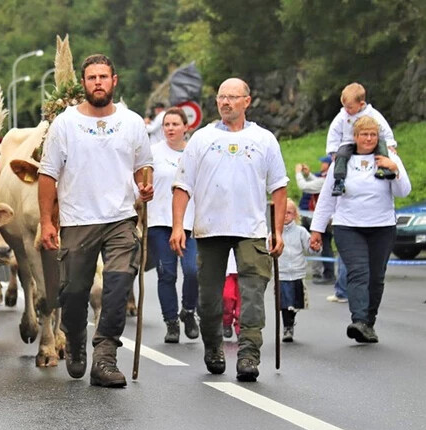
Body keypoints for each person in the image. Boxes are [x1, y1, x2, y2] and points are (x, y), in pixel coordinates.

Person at [39, 54, 153, 388]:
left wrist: (145, 186)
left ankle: (105, 357)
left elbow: (143, 166)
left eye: (103, 77)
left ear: (114, 81)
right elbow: (48, 175)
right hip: (78, 219)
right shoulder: (65, 124)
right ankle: (75, 336)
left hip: (121, 219)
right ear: (84, 84)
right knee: (74, 294)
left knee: (117, 289)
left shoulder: (132, 122)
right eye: (92, 78)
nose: (98, 82)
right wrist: (47, 222)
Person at [170, 78, 288, 382]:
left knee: (253, 293)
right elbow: (182, 185)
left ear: (247, 101)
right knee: (209, 298)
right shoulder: (202, 139)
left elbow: (278, 187)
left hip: (251, 228)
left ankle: (248, 354)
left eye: (233, 97)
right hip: (210, 229)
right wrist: (178, 226)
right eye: (222, 97)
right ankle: (213, 346)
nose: (226, 102)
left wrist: (277, 231)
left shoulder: (264, 139)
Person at [310, 116, 410, 343]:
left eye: (373, 134)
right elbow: (326, 199)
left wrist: (394, 169)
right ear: (355, 137)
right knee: (358, 271)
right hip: (348, 226)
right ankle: (359, 320)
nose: (369, 138)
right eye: (364, 134)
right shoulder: (342, 160)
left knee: (376, 277)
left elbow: (403, 191)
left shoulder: (389, 156)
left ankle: (368, 322)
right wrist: (317, 230)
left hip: (382, 226)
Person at [146, 107, 199, 343]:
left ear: (186, 127)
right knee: (166, 274)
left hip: (190, 222)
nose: (170, 128)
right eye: (166, 124)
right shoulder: (153, 152)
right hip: (160, 220)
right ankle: (171, 323)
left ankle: (188, 310)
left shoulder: (195, 153)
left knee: (192, 270)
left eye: (175, 124)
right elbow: (139, 181)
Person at [327, 83, 397, 196]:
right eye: (345, 107)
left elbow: (384, 128)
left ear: (361, 104)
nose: (347, 110)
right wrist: (333, 150)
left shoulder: (371, 113)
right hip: (349, 142)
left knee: (382, 149)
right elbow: (334, 132)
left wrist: (390, 143)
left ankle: (383, 169)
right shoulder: (343, 115)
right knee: (341, 156)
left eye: (350, 107)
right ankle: (339, 181)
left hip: (371, 142)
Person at [276, 199, 319, 342]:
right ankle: (287, 328)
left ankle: (291, 320)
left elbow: (310, 249)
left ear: (295, 215)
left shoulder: (301, 232)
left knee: (295, 303)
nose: (285, 215)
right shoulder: (275, 233)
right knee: (284, 304)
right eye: (283, 212)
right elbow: (268, 249)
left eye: (289, 212)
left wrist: (315, 248)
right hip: (282, 274)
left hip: (297, 273)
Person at [295, 156, 335, 284]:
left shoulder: (325, 180)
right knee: (326, 244)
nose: (321, 164)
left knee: (325, 245)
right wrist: (308, 175)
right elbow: (318, 182)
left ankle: (328, 274)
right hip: (329, 218)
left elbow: (304, 186)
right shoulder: (328, 178)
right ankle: (328, 274)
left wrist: (298, 173)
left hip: (325, 219)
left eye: (324, 163)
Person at [222, 249, 240, 339]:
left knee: (242, 303)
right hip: (228, 269)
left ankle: (240, 327)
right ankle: (226, 322)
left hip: (244, 270)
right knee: (227, 297)